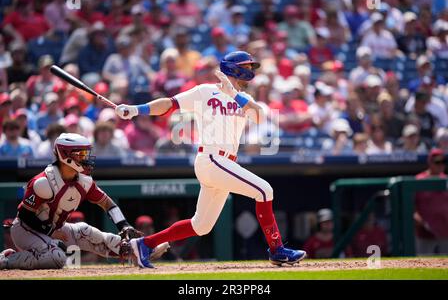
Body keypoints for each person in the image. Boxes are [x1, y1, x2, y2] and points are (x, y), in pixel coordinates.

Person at [115, 51, 306, 268]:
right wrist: (135, 110)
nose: (251, 71)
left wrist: (233, 93)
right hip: (212, 158)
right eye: (248, 66)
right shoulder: (206, 91)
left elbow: (261, 117)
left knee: (201, 225)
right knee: (264, 191)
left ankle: (144, 244)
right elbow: (169, 104)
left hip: (225, 164)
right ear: (235, 68)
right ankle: (277, 250)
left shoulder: (244, 99)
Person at [0, 133, 169, 270]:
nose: (86, 158)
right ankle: (8, 259)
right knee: (57, 257)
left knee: (86, 231)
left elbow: (108, 204)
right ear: (65, 156)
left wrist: (123, 225)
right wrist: (50, 232)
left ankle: (139, 251)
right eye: (81, 154)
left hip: (54, 228)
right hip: (26, 230)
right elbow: (24, 215)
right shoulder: (44, 182)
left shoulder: (84, 181)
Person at [414, 148, 448, 255]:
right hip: (425, 232)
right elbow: (411, 205)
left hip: (446, 231)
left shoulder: (447, 180)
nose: (441, 165)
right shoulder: (419, 180)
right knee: (423, 266)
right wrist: (417, 218)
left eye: (443, 162)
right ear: (430, 162)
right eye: (437, 162)